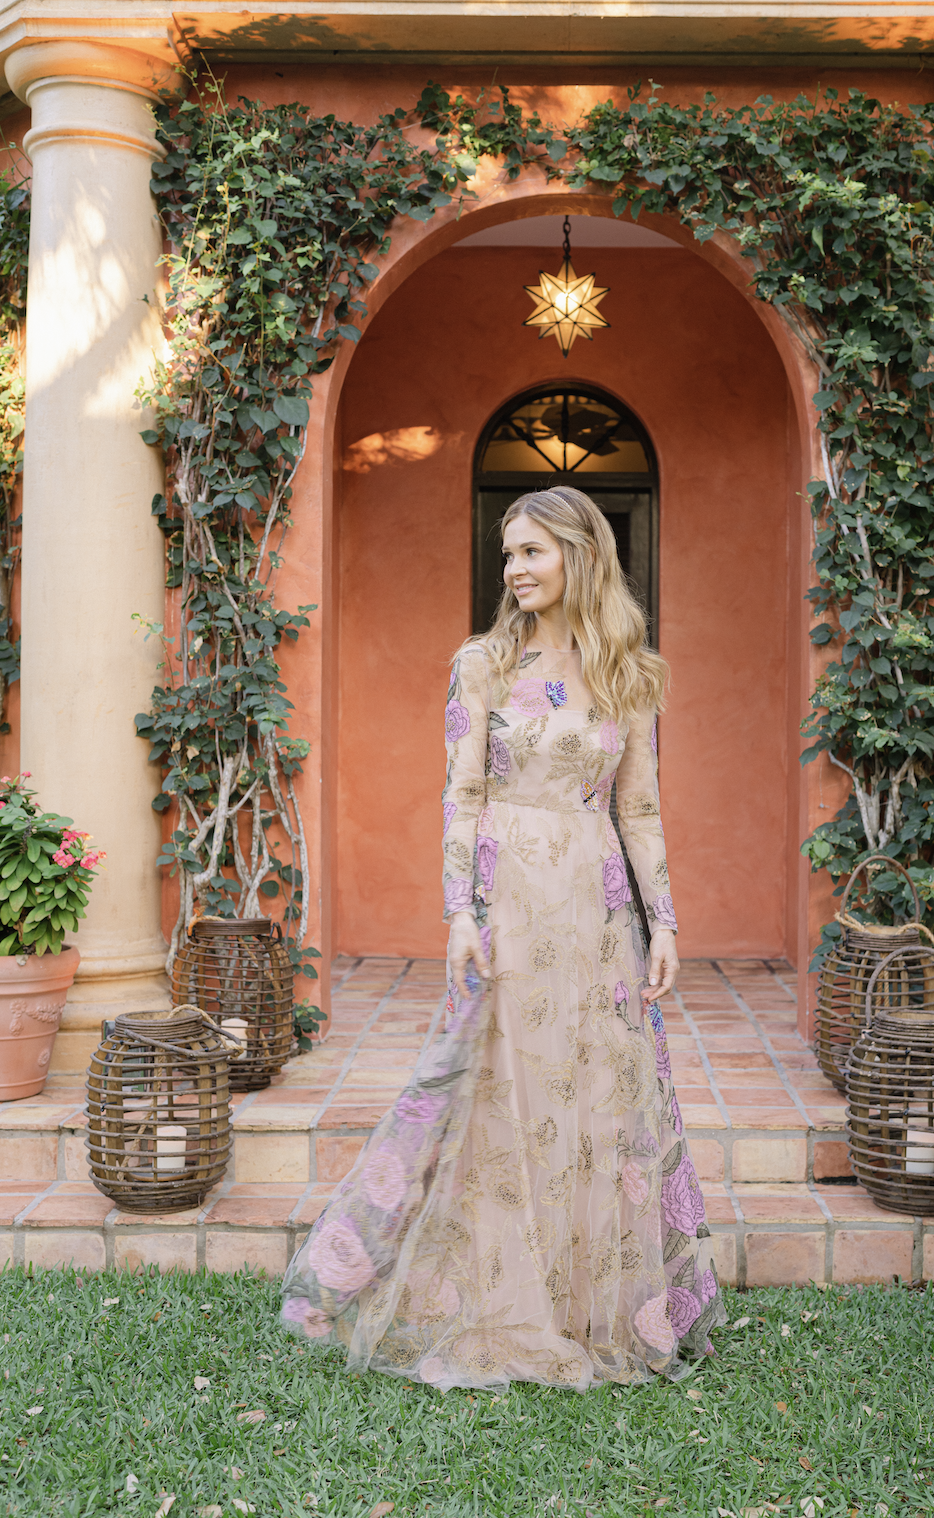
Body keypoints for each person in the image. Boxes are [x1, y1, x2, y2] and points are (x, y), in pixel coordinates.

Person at [281, 486, 725, 1388]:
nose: (514, 569)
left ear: (580, 554)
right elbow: (463, 795)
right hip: (508, 905)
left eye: (532, 552)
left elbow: (638, 806)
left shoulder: (629, 673)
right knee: (495, 1086)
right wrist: (456, 911)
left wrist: (665, 920)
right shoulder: (481, 664)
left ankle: (585, 1301)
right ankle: (495, 1296)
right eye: (509, 554)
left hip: (598, 915)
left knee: (597, 1090)